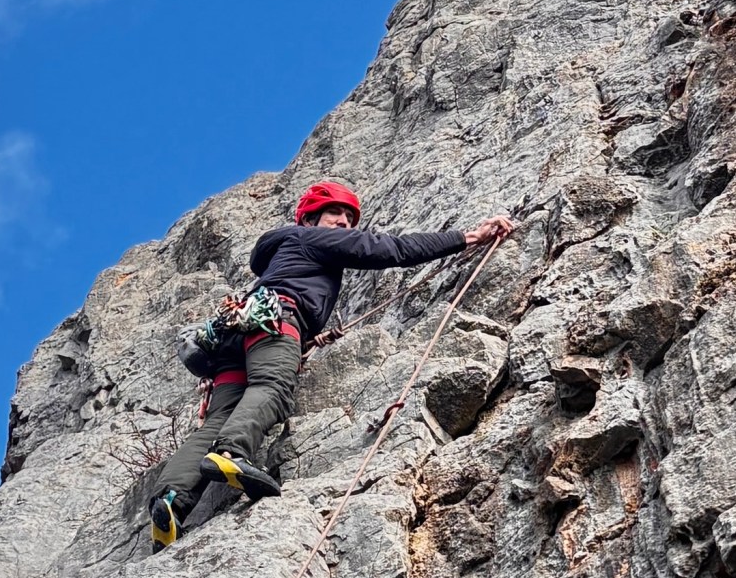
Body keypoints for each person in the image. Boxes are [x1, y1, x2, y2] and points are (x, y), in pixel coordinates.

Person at [150, 180, 513, 550]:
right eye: (334, 213)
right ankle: (230, 454)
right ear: (309, 219)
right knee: (272, 388)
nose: (343, 223)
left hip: (235, 337)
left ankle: (170, 499)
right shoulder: (309, 239)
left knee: (217, 418)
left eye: (349, 217)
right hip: (274, 323)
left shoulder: (283, 253)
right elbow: (391, 249)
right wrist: (468, 238)